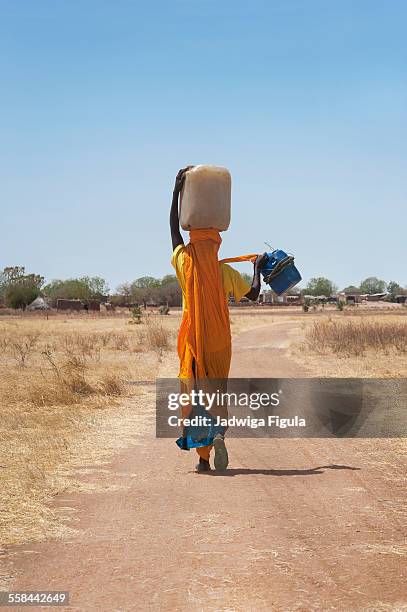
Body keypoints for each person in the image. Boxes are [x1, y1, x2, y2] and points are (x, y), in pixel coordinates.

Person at [170, 166, 267, 472]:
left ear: (191, 239)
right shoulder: (224, 271)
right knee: (216, 391)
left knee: (196, 395)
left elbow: (173, 230)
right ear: (217, 241)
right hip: (219, 343)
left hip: (194, 343)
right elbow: (252, 295)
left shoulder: (185, 262)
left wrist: (176, 191)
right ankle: (221, 433)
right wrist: (257, 268)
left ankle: (203, 459)